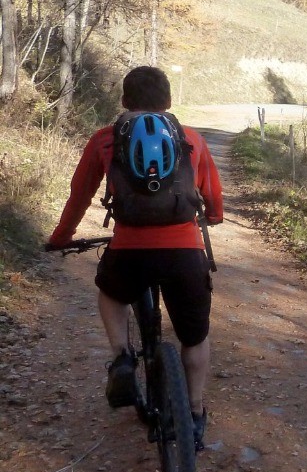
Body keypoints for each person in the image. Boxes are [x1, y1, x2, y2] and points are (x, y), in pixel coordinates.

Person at [46, 66, 224, 451]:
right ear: (169, 102)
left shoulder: (105, 140)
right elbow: (213, 195)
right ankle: (193, 413)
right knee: (195, 337)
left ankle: (123, 357)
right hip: (184, 253)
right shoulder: (190, 138)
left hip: (129, 251)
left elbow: (79, 196)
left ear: (124, 102)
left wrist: (62, 237)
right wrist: (213, 216)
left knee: (111, 292)